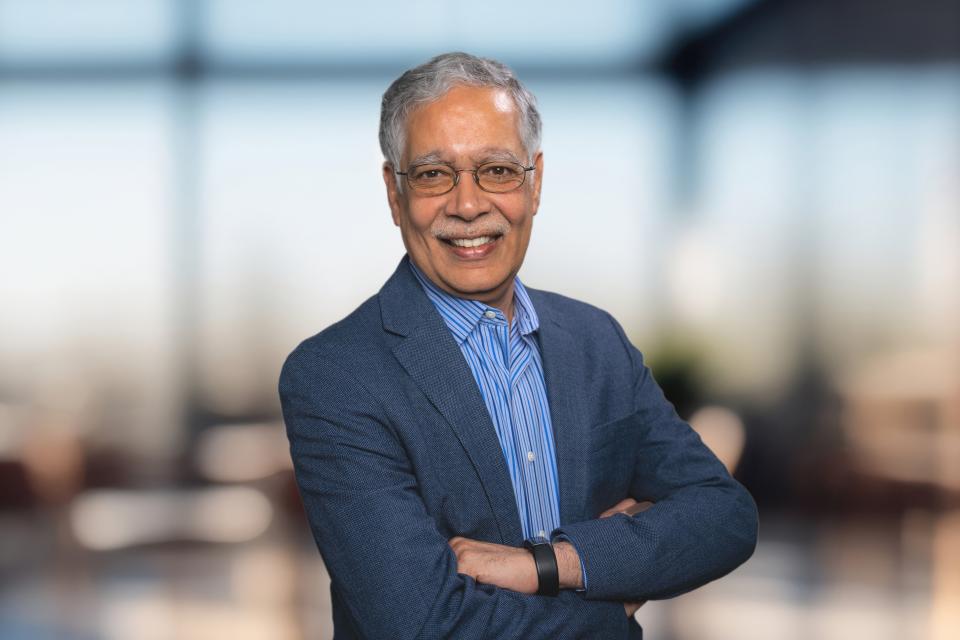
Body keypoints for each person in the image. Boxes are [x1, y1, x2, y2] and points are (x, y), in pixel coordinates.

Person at [279, 52, 758, 640]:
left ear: (535, 183)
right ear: (393, 193)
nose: (469, 204)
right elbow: (421, 623)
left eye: (497, 171)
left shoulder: (596, 342)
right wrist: (614, 600)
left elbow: (724, 516)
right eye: (433, 174)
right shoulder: (336, 375)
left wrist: (551, 564)